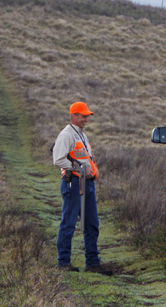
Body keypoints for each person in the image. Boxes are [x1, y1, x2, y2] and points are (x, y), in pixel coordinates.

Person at [52, 101, 112, 275]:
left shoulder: (81, 135)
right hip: (74, 183)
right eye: (83, 115)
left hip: (88, 184)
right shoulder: (66, 135)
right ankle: (63, 263)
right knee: (68, 223)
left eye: (87, 116)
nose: (86, 118)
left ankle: (92, 263)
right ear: (73, 116)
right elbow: (58, 159)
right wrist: (78, 168)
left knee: (92, 224)